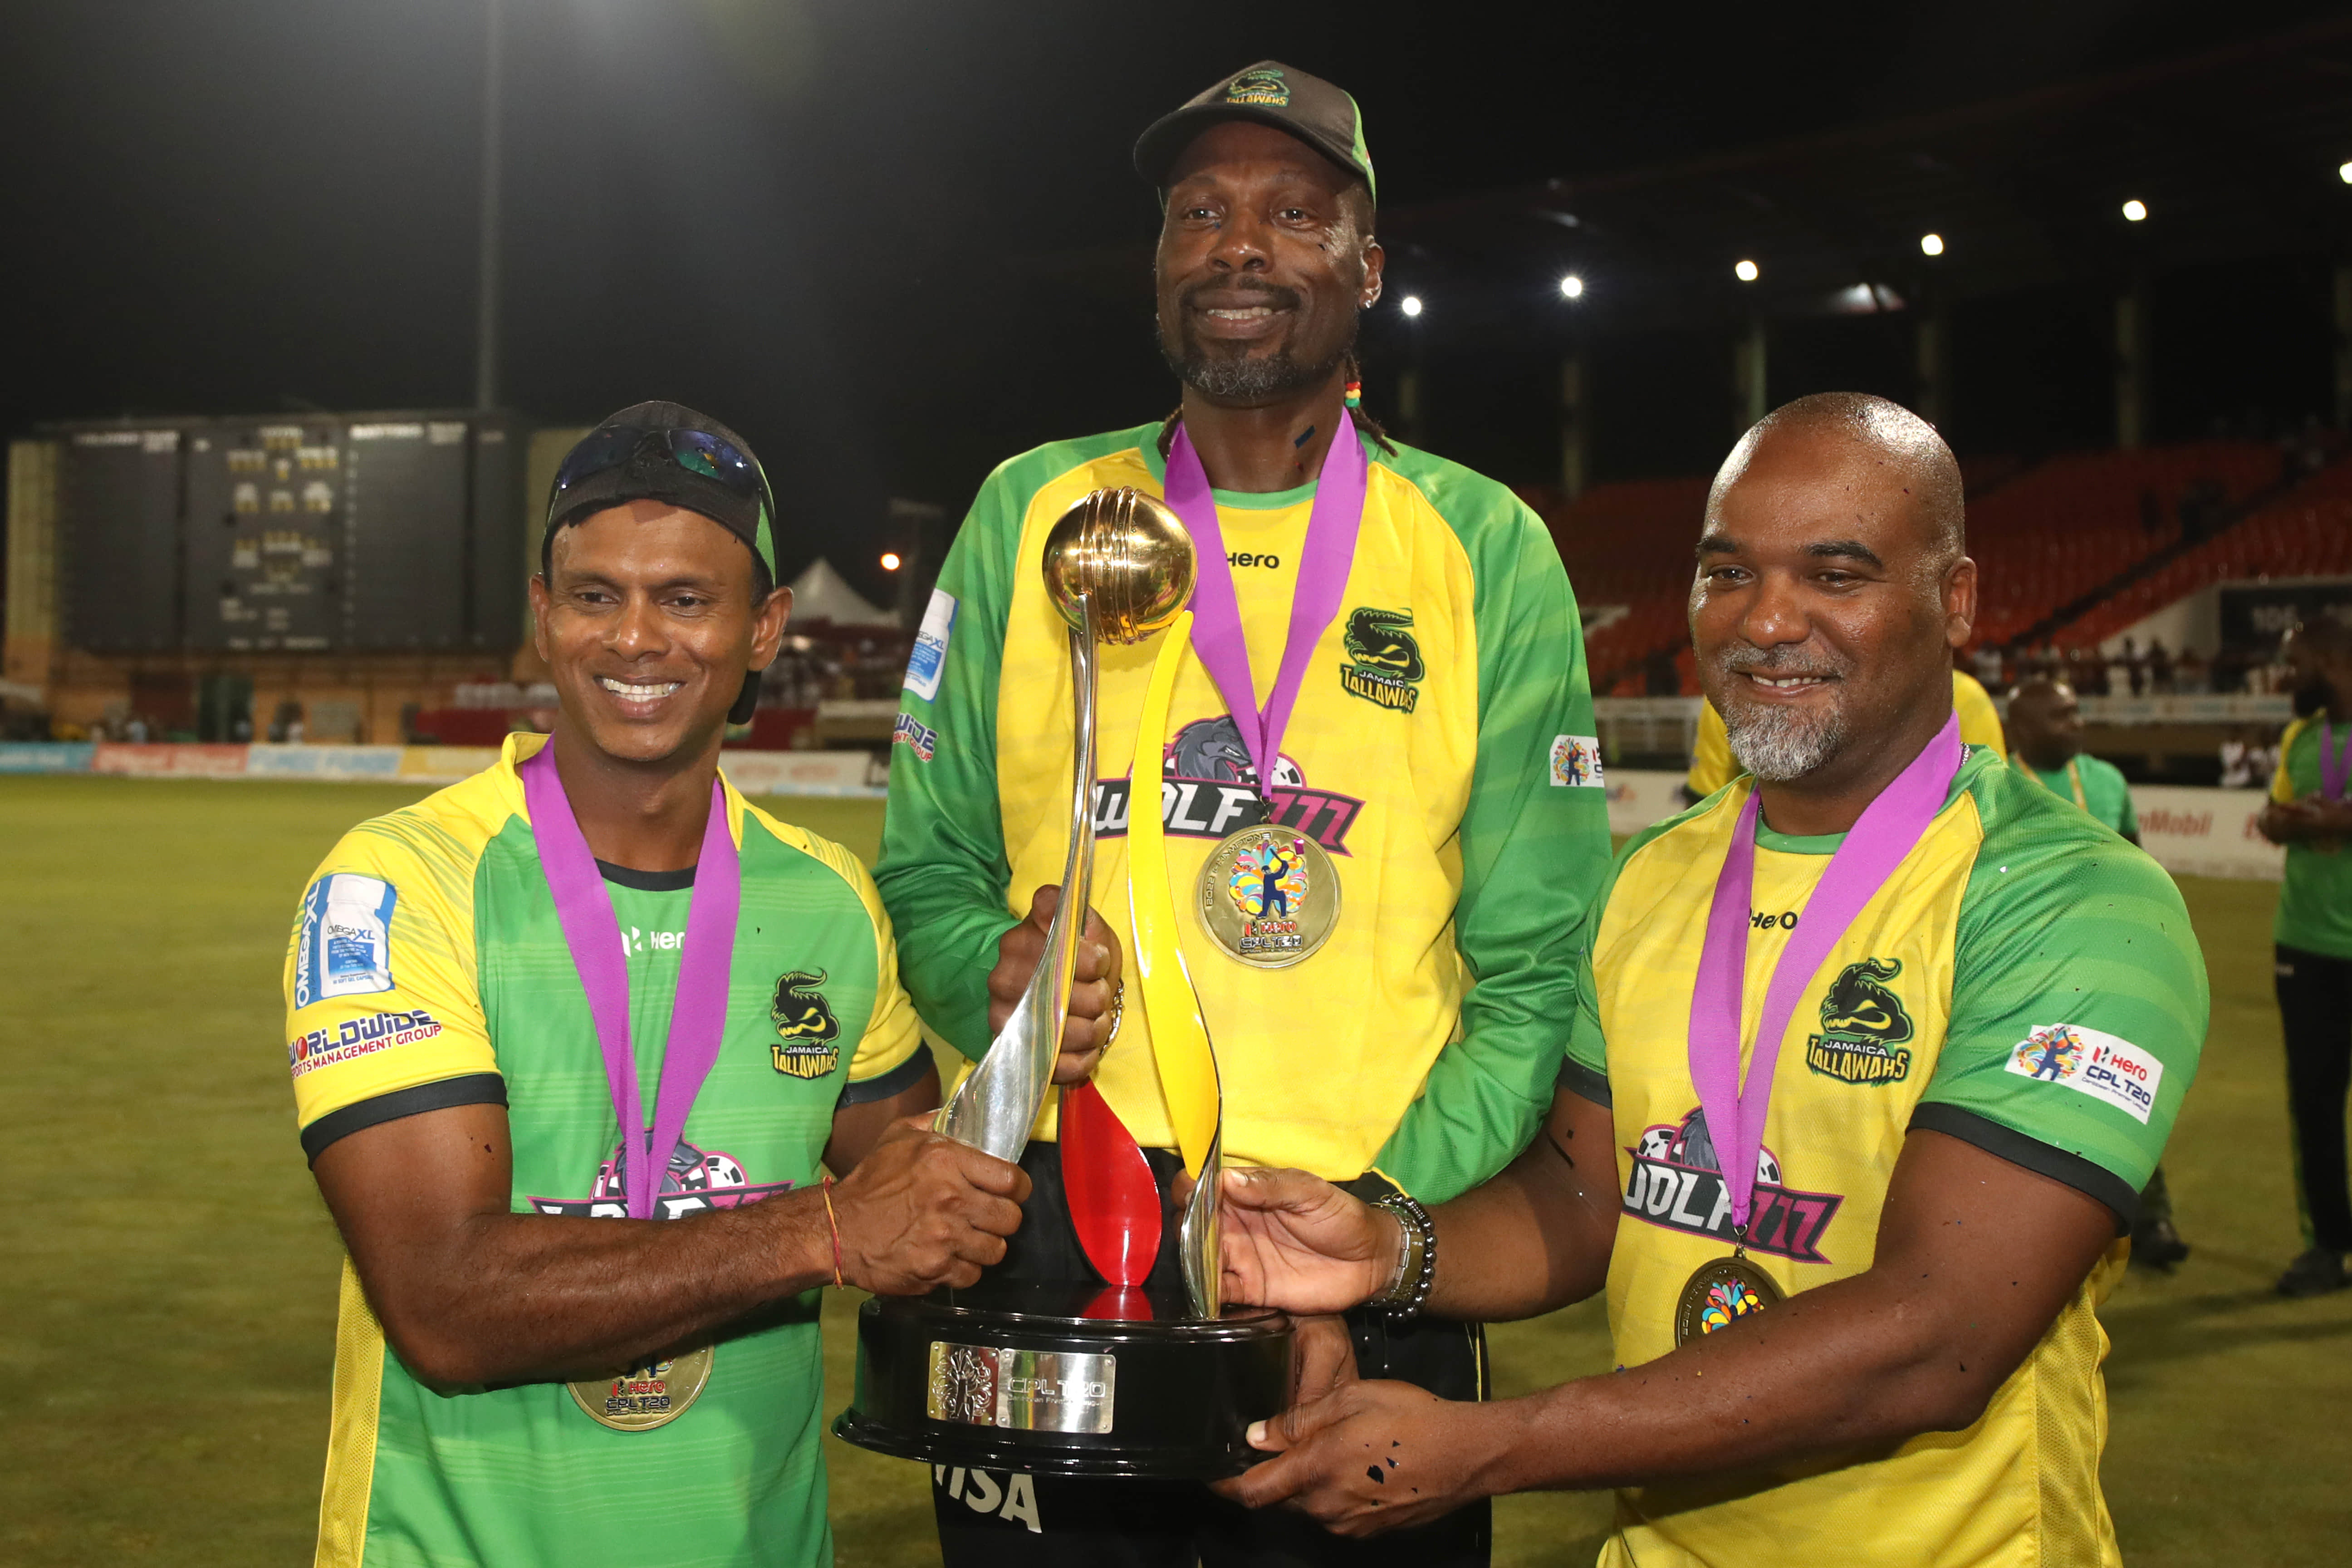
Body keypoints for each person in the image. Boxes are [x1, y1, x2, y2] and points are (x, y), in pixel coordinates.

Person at [1211, 393, 2208, 1564]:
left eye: (1835, 575)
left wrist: (1492, 1444)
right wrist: (1387, 1249)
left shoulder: (2078, 901)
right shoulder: (1651, 878)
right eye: (1728, 572)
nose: (1766, 620)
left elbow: (1936, 1330)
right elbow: (1584, 1198)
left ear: (1956, 600)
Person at [876, 59, 1610, 1567]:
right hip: (1052, 1226)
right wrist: (993, 981)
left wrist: (1372, 1231)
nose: (1239, 247)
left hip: (1369, 1234)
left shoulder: (1484, 544)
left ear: (1369, 266)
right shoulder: (1034, 512)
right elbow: (930, 866)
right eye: (1199, 213)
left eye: (1292, 213)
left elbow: (1538, 958)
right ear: (1158, 262)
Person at [283, 404, 1030, 1568]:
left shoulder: (829, 900)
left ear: (764, 627)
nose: (636, 638)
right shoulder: (397, 885)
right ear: (544, 615)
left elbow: (930, 1211)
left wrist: (1037, 1017)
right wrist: (822, 1230)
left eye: (685, 599)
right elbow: (442, 1301)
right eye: (596, 595)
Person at [2007, 676, 2190, 1269]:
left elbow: (2139, 863)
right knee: (2038, 1101)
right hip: (2031, 971)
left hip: (2113, 968)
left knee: (2125, 1096)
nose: (2077, 725)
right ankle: (2041, 1228)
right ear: (2022, 728)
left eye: (2077, 713)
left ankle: (2150, 1220)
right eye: (2061, 717)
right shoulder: (1999, 786)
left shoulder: (2107, 780)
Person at [2255, 617, 2352, 1297]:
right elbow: (2272, 813)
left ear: (2327, 659)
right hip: (2305, 945)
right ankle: (2328, 1246)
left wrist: (2338, 820)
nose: (2286, 677)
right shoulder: (2301, 737)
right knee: (2314, 1104)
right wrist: (2284, 820)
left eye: (2294, 664)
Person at [1685, 662, 2003, 798]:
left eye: (1835, 579)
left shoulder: (1964, 700)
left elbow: (1992, 816)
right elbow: (1702, 809)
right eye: (1732, 574)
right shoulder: (1734, 697)